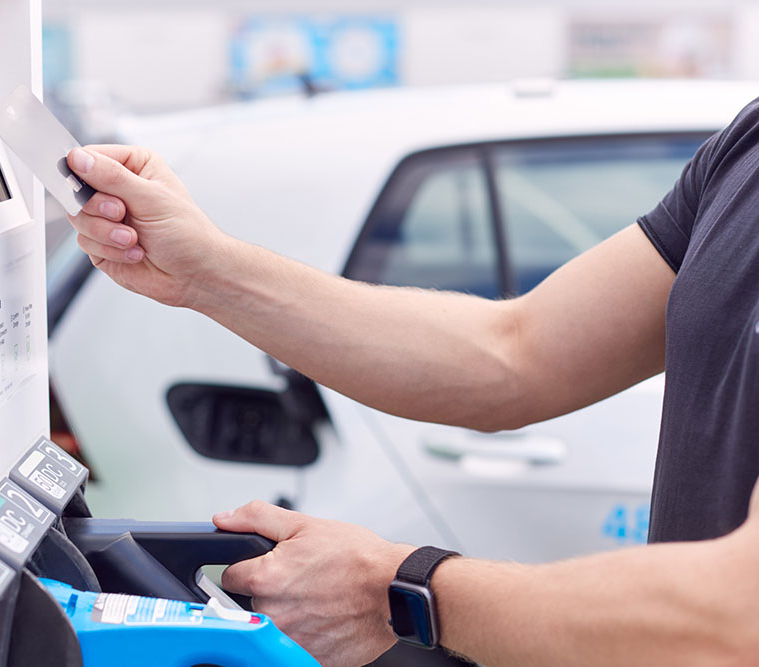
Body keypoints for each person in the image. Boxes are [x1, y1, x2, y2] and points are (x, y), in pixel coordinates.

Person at [60, 97, 759, 667]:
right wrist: (206, 269)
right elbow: (515, 352)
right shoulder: (746, 149)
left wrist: (401, 587)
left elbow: (738, 616)